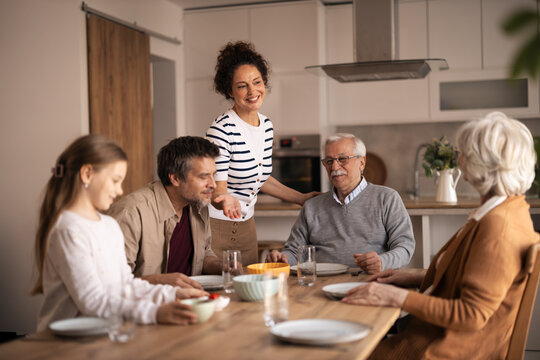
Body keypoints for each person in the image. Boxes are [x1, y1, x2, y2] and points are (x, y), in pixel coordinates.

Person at [342, 112, 539, 359]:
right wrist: (413, 276)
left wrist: (397, 297)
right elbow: (473, 276)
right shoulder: (504, 211)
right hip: (438, 338)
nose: (459, 158)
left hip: (446, 350)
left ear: (483, 163)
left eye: (463, 152)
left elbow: (471, 315)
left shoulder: (498, 228)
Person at [32, 135, 207, 332]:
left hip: (104, 336)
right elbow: (93, 302)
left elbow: (125, 286)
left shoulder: (108, 225)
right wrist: (153, 312)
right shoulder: (69, 230)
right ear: (87, 174)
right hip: (64, 345)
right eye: (115, 181)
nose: (119, 190)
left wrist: (173, 294)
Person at [206, 41, 319, 265]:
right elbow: (217, 192)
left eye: (257, 82)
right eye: (242, 86)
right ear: (230, 91)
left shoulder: (266, 126)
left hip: (247, 226)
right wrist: (225, 200)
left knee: (250, 292)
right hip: (217, 227)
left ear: (264, 83)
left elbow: (260, 177)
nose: (252, 91)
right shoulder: (221, 130)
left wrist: (301, 198)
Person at [267, 133, 415, 273]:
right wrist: (283, 258)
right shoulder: (312, 206)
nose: (335, 167)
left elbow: (405, 247)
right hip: (319, 283)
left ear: (362, 162)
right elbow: (294, 251)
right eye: (329, 161)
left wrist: (382, 262)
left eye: (342, 159)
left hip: (369, 281)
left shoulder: (387, 198)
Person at [108, 137, 227, 289]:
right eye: (204, 177)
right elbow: (112, 282)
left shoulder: (199, 204)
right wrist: (159, 282)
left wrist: (223, 266)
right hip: (146, 307)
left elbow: (203, 255)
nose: (213, 184)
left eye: (213, 175)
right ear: (175, 178)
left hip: (192, 300)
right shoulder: (131, 213)